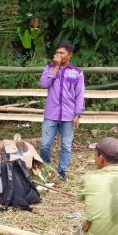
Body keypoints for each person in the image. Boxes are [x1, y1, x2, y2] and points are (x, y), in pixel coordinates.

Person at [39, 41, 85, 182]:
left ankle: (61, 171)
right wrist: (55, 68)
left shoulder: (77, 72)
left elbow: (80, 94)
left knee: (66, 145)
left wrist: (77, 114)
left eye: (62, 53)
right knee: (45, 144)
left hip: (68, 115)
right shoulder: (49, 68)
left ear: (69, 55)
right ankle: (46, 167)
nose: (58, 55)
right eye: (57, 52)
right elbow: (43, 84)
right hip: (51, 115)